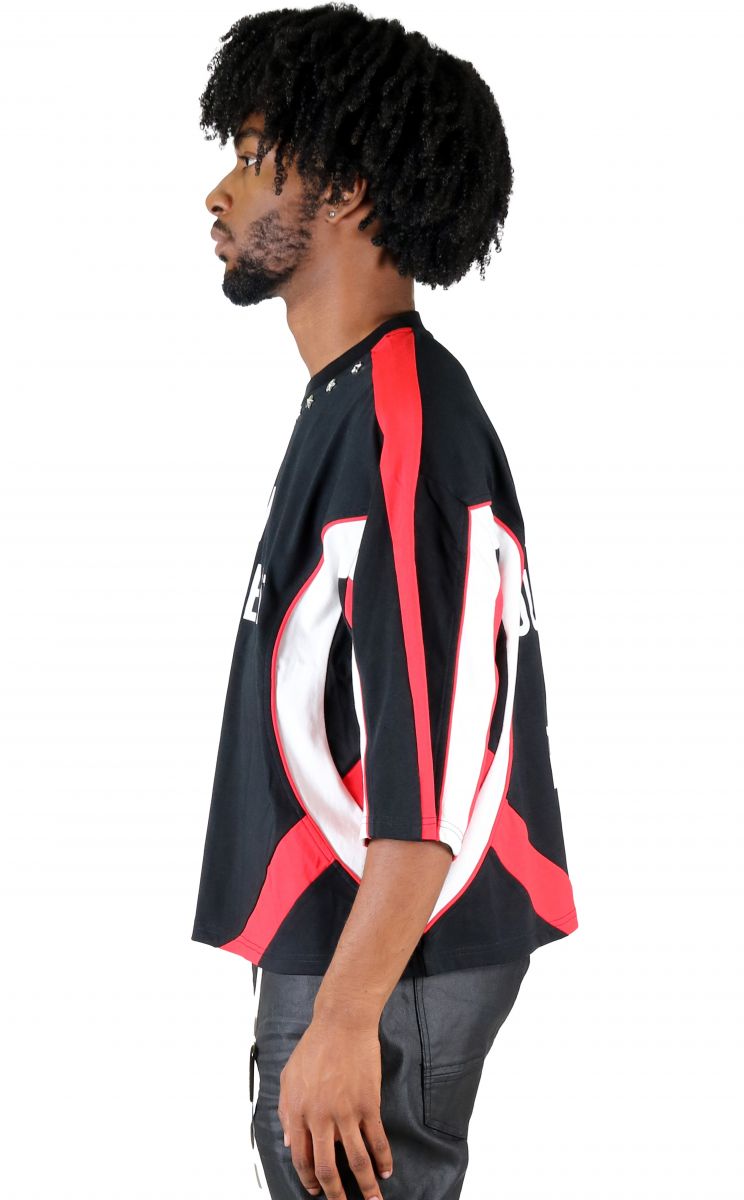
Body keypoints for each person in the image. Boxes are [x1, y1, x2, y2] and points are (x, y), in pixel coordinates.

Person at [190, 6, 579, 1198]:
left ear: (346, 188)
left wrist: (349, 1011)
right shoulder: (354, 400)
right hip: (368, 939)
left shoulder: (399, 415)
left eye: (254, 158)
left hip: (391, 945)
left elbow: (440, 739)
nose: (219, 193)